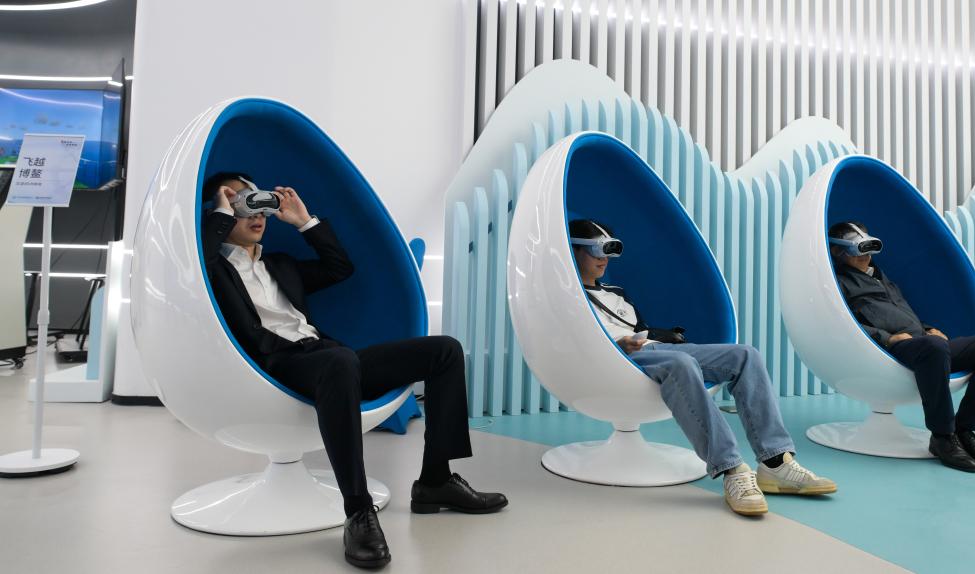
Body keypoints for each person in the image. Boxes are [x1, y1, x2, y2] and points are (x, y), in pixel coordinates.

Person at [201, 172, 507, 568]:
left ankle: (435, 480)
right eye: (243, 204)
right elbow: (199, 263)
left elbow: (339, 267)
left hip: (327, 357)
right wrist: (221, 213)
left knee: (445, 350)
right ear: (221, 212)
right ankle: (358, 510)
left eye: (260, 203)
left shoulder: (281, 265)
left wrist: (304, 222)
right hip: (278, 363)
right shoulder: (212, 268)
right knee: (341, 360)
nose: (256, 213)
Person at [569, 219, 836, 516]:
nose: (604, 259)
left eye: (610, 250)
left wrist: (658, 335)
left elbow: (640, 329)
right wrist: (619, 345)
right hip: (618, 359)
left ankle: (775, 463)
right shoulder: (570, 297)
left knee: (745, 355)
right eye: (596, 250)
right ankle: (731, 469)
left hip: (653, 349)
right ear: (574, 250)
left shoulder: (617, 293)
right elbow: (578, 342)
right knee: (682, 363)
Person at [829, 221, 975, 472]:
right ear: (838, 251)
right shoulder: (838, 282)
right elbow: (840, 323)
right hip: (891, 349)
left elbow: (903, 312)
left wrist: (928, 329)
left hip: (926, 344)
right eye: (858, 249)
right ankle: (942, 437)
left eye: (869, 248)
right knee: (934, 348)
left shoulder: (881, 276)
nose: (866, 255)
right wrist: (887, 338)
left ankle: (964, 431)